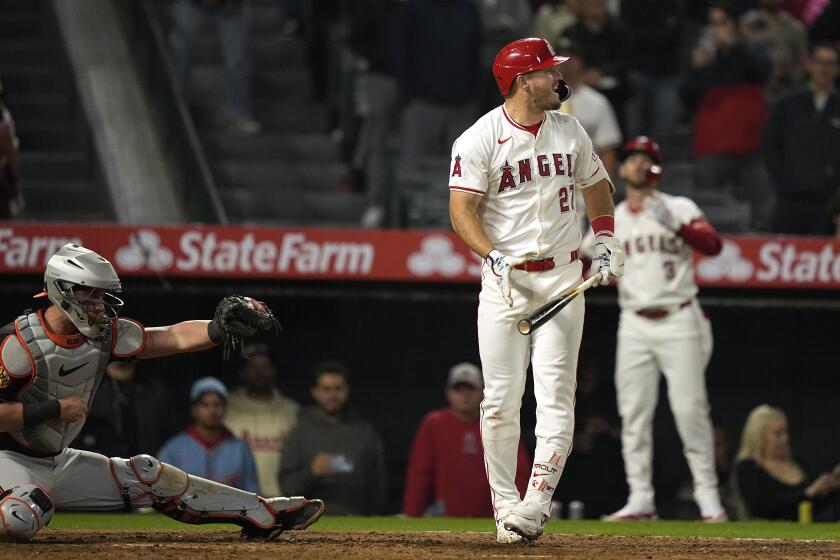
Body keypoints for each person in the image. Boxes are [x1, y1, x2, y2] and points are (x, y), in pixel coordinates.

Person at [0, 243, 323, 542]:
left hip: (58, 460)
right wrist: (54, 409)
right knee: (22, 515)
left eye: (102, 296)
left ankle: (261, 512)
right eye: (91, 295)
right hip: (9, 461)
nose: (99, 305)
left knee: (148, 474)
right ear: (63, 290)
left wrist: (216, 328)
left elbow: (167, 338)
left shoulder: (103, 335)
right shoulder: (17, 345)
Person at [448, 37, 624, 543]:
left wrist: (606, 237)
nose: (558, 78)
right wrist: (492, 254)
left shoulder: (570, 129)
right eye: (548, 70)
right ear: (525, 81)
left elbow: (596, 185)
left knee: (555, 398)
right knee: (500, 399)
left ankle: (537, 501)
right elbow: (461, 211)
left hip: (564, 277)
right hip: (507, 280)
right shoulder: (479, 137)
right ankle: (506, 507)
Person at [590, 136, 726, 522]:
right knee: (633, 414)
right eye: (632, 158)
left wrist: (676, 226)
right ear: (623, 168)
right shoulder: (613, 216)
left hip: (678, 317)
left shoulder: (678, 207)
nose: (637, 165)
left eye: (645, 160)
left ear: (657, 169)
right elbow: (586, 257)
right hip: (633, 322)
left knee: (689, 410)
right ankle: (640, 497)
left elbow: (713, 245)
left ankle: (708, 498)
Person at [680, 1, 774, 231]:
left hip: (751, 149)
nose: (718, 29)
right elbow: (687, 97)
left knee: (764, 207)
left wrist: (736, 46)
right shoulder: (705, 58)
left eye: (723, 23)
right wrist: (697, 68)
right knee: (706, 209)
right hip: (713, 149)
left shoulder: (750, 50)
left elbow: (762, 70)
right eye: (713, 24)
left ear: (735, 26)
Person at [402, 362, 531, 518]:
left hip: (492, 516)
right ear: (448, 393)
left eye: (470, 389)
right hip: (445, 516)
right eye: (458, 389)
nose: (464, 396)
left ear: (483, 392)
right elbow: (420, 473)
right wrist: (412, 513)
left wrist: (520, 514)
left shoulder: (498, 424)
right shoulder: (434, 423)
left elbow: (519, 472)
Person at [279, 361, 386, 515]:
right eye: (326, 389)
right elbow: (287, 488)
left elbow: (378, 487)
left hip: (358, 521)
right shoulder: (298, 434)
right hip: (311, 521)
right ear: (315, 391)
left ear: (347, 390)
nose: (332, 395)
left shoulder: (365, 433)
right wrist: (312, 472)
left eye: (338, 389)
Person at [762, 42, 840, 235]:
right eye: (819, 62)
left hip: (828, 202)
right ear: (809, 64)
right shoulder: (787, 104)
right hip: (789, 200)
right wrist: (784, 180)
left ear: (837, 69)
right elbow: (770, 146)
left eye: (830, 63)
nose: (824, 68)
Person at [733, 404, 840, 521]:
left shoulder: (797, 463)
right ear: (759, 436)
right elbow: (760, 507)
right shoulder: (748, 467)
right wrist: (806, 493)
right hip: (767, 535)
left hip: (803, 533)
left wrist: (829, 488)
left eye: (786, 431)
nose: (785, 438)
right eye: (778, 434)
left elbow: (812, 507)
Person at [168, 0, 260, 134]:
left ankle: (238, 112)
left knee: (237, 60)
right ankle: (176, 108)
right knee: (180, 50)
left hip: (231, 5)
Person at [224, 343, 300, 497]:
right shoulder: (225, 407)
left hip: (281, 500)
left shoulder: (292, 411)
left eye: (265, 366)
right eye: (253, 367)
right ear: (243, 372)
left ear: (274, 370)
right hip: (236, 502)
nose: (260, 373)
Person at [158, 377, 259, 493]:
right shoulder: (174, 449)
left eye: (217, 405)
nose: (212, 411)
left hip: (229, 510)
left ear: (225, 409)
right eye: (205, 405)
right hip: (185, 510)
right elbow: (162, 492)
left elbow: (253, 494)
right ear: (194, 410)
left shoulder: (240, 449)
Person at [75, 360, 175, 459]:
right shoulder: (88, 391)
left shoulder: (155, 392)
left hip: (147, 468)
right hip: (100, 469)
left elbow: (170, 437)